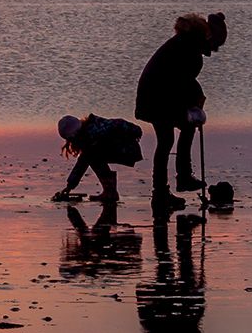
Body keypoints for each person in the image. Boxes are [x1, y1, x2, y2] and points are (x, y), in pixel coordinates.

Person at [134, 11, 224, 209]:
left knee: (168, 139)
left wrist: (194, 103)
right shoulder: (189, 50)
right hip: (158, 97)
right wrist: (193, 108)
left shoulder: (184, 43)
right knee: (172, 137)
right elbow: (180, 83)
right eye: (214, 42)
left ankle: (164, 191)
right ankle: (176, 182)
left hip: (155, 96)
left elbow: (184, 82)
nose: (214, 48)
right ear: (205, 36)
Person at [51, 113, 142, 204]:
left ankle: (110, 192)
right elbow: (118, 123)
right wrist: (70, 185)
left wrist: (70, 185)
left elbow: (82, 163)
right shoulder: (91, 127)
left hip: (128, 150)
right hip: (125, 148)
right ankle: (110, 191)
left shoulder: (93, 134)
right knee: (92, 155)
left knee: (92, 156)